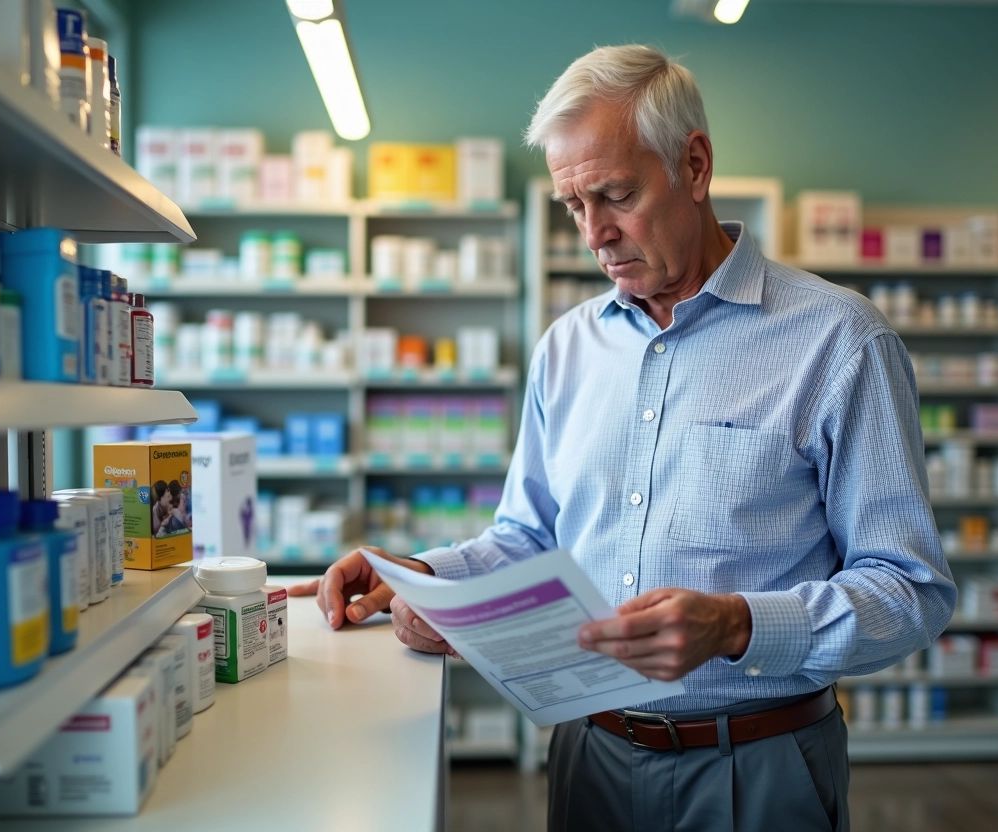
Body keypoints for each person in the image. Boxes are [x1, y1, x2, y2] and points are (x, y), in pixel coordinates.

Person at [291, 44, 955, 832]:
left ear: (696, 165)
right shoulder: (568, 348)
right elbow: (529, 535)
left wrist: (737, 623)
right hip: (591, 757)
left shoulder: (838, 342)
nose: (595, 234)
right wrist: (425, 575)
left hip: (758, 767)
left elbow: (910, 591)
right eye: (574, 206)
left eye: (616, 194)